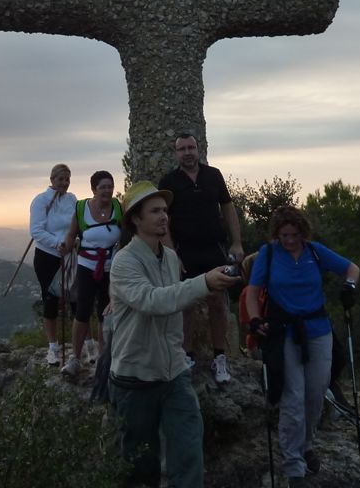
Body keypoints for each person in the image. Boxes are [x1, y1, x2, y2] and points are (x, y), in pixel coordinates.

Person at [108, 180, 240, 488]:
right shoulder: (124, 262)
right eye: (155, 211)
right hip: (135, 378)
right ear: (135, 219)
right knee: (141, 465)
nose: (164, 216)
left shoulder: (168, 257)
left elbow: (175, 303)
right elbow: (154, 301)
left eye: (165, 210)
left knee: (189, 450)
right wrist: (204, 283)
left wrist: (218, 282)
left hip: (174, 373)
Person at [244, 205, 360, 487]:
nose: (289, 240)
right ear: (277, 233)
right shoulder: (268, 254)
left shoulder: (315, 251)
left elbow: (352, 268)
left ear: (303, 232)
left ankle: (307, 444)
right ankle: (294, 465)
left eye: (294, 234)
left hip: (318, 330)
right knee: (293, 397)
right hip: (284, 332)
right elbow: (252, 292)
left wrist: (350, 286)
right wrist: (255, 320)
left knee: (316, 392)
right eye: (284, 235)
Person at [158, 132, 243, 383]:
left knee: (217, 303)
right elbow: (163, 219)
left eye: (191, 147)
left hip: (213, 248)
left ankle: (220, 357)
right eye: (182, 149)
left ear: (198, 149)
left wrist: (237, 242)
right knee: (186, 304)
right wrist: (171, 254)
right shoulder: (169, 181)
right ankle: (187, 356)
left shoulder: (213, 175)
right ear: (176, 153)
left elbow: (228, 208)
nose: (187, 153)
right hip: (185, 250)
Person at [61, 169, 122, 376]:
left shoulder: (118, 207)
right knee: (82, 311)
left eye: (110, 187)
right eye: (103, 187)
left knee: (106, 312)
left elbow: (126, 234)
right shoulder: (81, 208)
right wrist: (66, 246)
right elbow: (72, 234)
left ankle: (103, 360)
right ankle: (75, 358)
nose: (107, 191)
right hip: (86, 266)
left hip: (111, 267)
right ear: (93, 189)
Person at [29, 163, 78, 365]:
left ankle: (81, 347)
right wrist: (59, 244)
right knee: (50, 301)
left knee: (76, 300)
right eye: (60, 179)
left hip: (70, 255)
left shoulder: (72, 199)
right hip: (48, 256)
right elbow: (36, 231)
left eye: (67, 179)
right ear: (52, 179)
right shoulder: (40, 201)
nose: (64, 183)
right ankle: (53, 349)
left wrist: (75, 242)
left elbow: (78, 224)